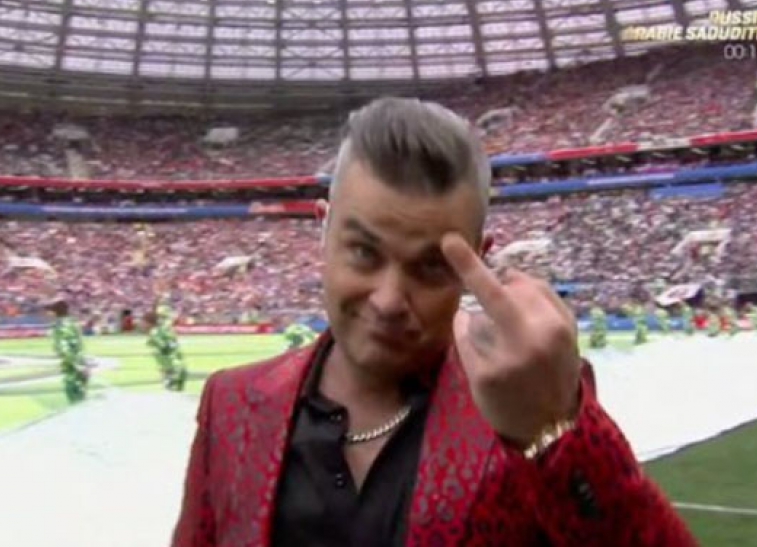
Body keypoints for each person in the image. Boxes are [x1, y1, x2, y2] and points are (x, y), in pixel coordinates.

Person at [172, 97, 695, 546]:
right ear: (323, 230)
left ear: (478, 261)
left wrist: (551, 435)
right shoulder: (230, 405)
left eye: (431, 267)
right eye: (364, 252)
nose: (389, 300)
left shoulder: (530, 404)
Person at [48, 299, 88, 404]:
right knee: (81, 399)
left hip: (72, 367)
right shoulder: (72, 322)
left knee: (75, 400)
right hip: (79, 362)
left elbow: (65, 347)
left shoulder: (61, 325)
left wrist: (77, 365)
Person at [145, 309, 187, 392]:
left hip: (172, 354)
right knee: (172, 371)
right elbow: (152, 343)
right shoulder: (156, 331)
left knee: (181, 371)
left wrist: (173, 344)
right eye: (166, 318)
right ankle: (169, 386)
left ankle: (175, 387)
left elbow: (174, 341)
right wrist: (164, 346)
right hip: (164, 355)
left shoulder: (169, 330)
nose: (169, 321)